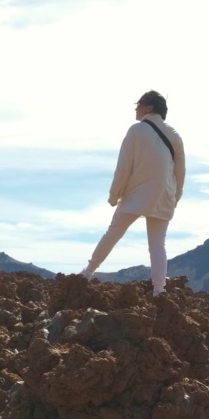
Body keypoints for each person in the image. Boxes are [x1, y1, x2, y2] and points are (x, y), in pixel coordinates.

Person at [81, 90, 186, 295]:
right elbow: (180, 172)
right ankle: (159, 291)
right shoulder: (175, 136)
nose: (136, 109)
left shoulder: (136, 131)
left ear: (149, 107)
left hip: (136, 194)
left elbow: (123, 167)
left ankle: (87, 273)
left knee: (113, 233)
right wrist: (175, 198)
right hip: (164, 196)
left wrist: (114, 195)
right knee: (157, 245)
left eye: (138, 104)